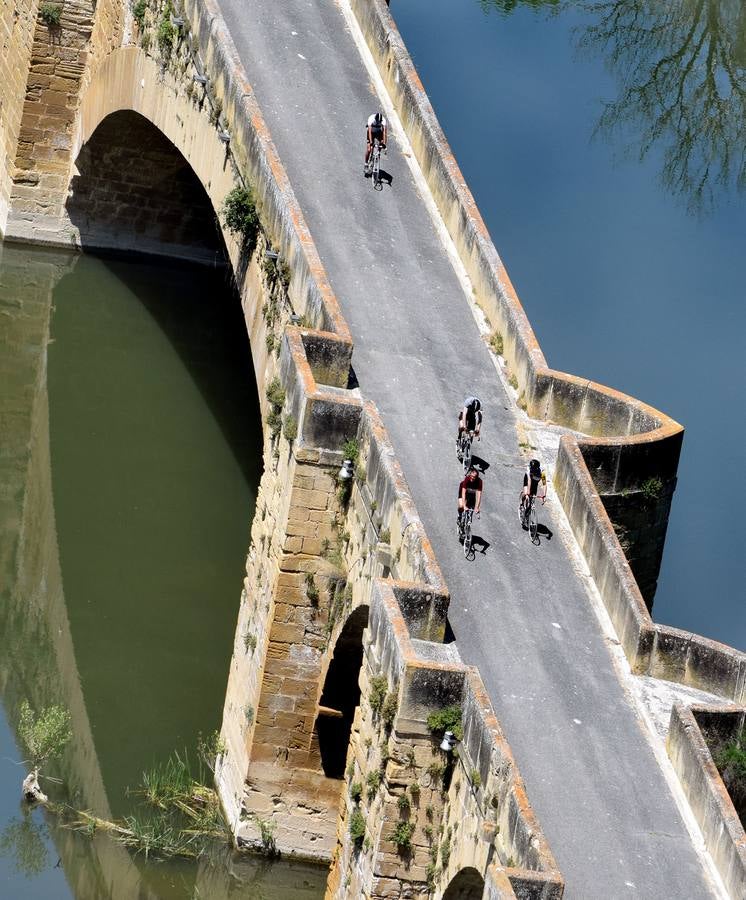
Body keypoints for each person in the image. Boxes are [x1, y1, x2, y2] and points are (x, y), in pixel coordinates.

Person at [457, 466, 483, 539]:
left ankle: (467, 524)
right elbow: (463, 493)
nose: (472, 478)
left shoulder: (479, 482)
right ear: (469, 475)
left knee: (471, 507)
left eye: (474, 477)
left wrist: (477, 507)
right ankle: (459, 516)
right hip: (463, 491)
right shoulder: (467, 479)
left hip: (472, 493)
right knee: (461, 505)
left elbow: (479, 495)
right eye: (471, 476)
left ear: (477, 477)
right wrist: (464, 505)